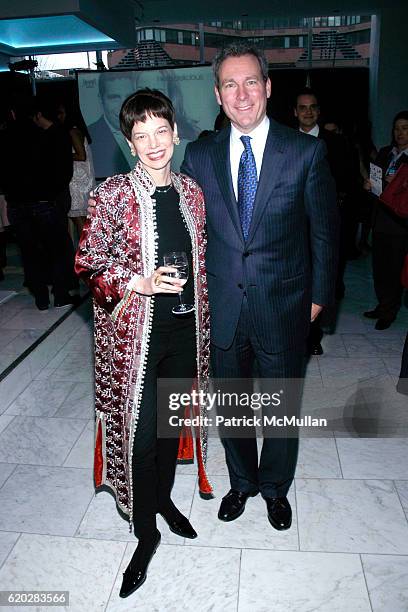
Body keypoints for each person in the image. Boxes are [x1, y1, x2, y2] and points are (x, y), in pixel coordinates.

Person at [181, 43, 339, 530]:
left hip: (285, 305)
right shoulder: (200, 155)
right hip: (224, 307)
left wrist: (318, 299)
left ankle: (275, 488)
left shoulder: (305, 151)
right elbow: (182, 227)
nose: (242, 93)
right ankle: (242, 482)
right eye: (230, 84)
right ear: (217, 93)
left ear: (268, 87)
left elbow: (325, 232)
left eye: (251, 81)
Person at [75, 89, 211, 598]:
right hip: (133, 341)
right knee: (141, 437)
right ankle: (145, 531)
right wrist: (139, 281)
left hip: (184, 333)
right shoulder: (111, 195)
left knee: (170, 426)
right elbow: (88, 262)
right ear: (130, 143)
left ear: (176, 135)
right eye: (141, 135)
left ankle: (166, 501)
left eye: (161, 132)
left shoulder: (193, 193)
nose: (154, 144)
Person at [294, 88, 353, 354]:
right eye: (303, 107)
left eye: (313, 107)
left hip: (322, 224)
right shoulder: (284, 141)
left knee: (319, 278)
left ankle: (312, 336)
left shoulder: (335, 143)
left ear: (319, 111)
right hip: (291, 226)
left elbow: (346, 180)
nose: (308, 112)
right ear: (295, 112)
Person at [1, 97, 75, 310]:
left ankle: (41, 298)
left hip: (16, 204)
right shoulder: (45, 136)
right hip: (44, 202)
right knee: (59, 249)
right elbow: (62, 172)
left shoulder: (6, 137)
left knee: (30, 252)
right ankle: (60, 294)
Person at [364, 110, 408, 330]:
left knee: (394, 270)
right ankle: (382, 305)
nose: (399, 133)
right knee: (379, 268)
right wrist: (370, 185)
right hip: (380, 219)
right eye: (397, 128)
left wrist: (398, 184)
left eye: (405, 128)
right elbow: (375, 178)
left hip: (400, 225)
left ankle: (389, 312)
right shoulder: (384, 153)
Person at [57, 102, 96, 237]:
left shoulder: (72, 131)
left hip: (77, 182)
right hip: (80, 181)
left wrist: (60, 154)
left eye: (61, 113)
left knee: (81, 224)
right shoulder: (75, 130)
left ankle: (83, 254)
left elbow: (81, 155)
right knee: (83, 223)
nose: (59, 116)